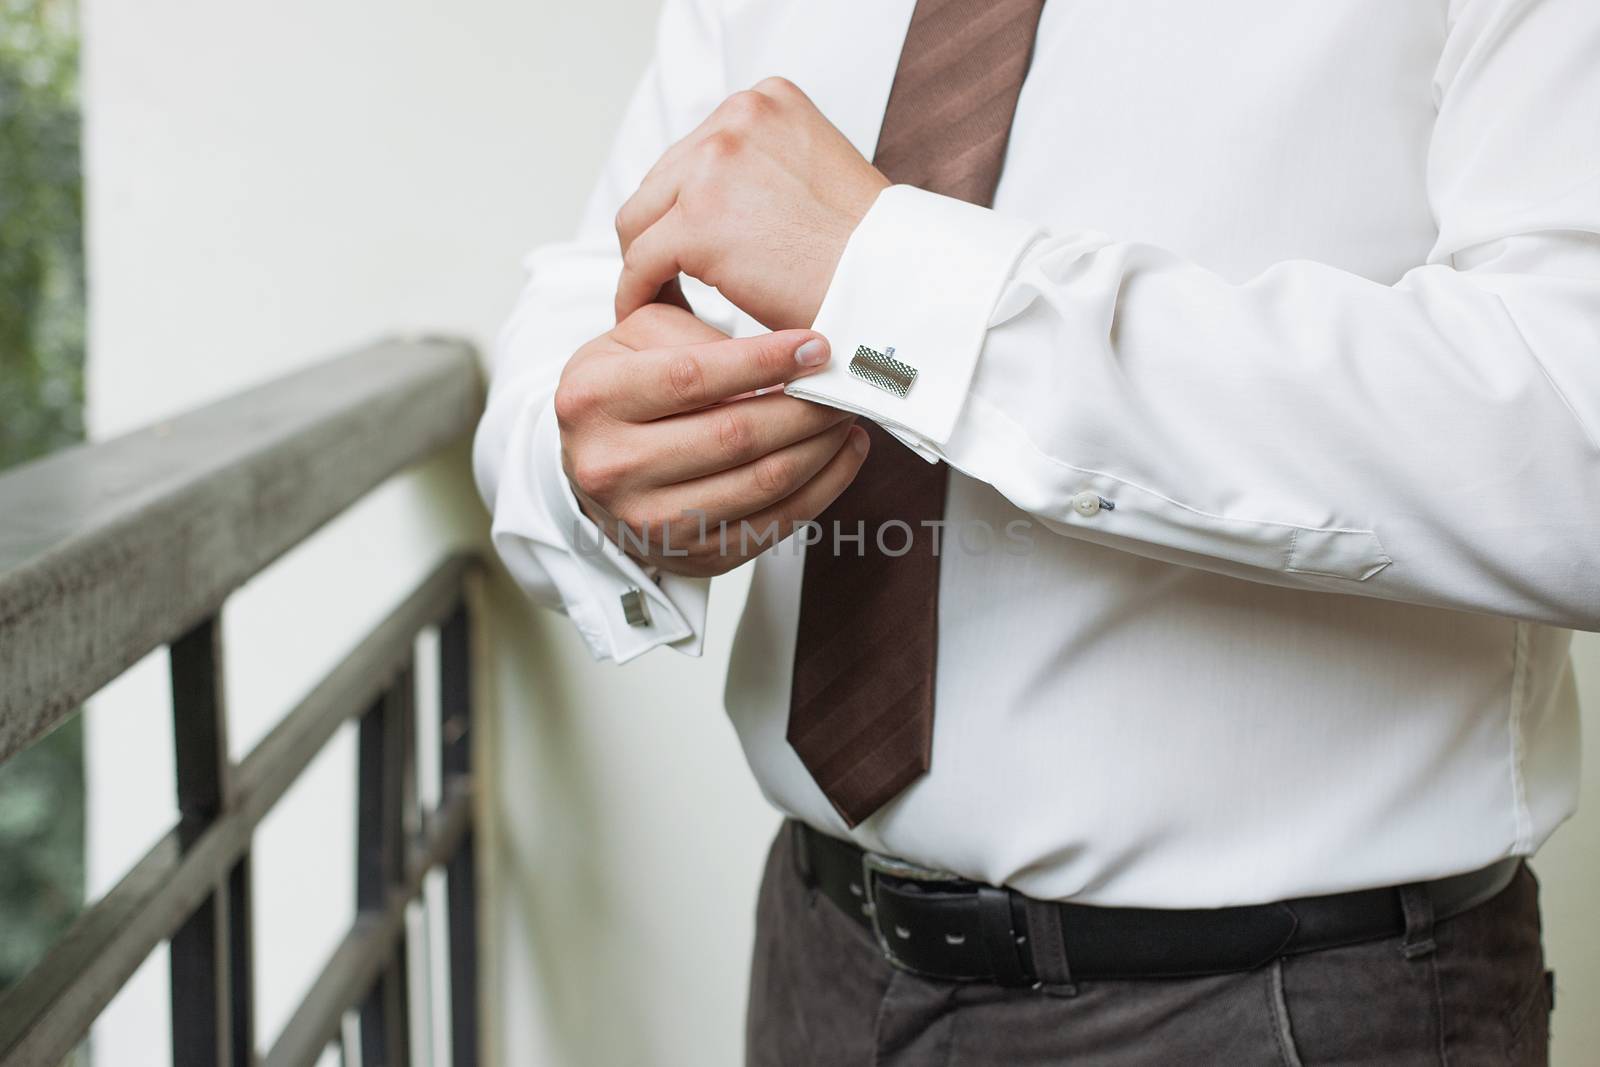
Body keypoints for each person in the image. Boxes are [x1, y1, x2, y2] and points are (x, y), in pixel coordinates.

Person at [474, 0, 1600, 1062]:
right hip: (819, 959)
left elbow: (1575, 429)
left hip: (1280, 1008)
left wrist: (911, 290)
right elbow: (596, 282)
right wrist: (585, 452)